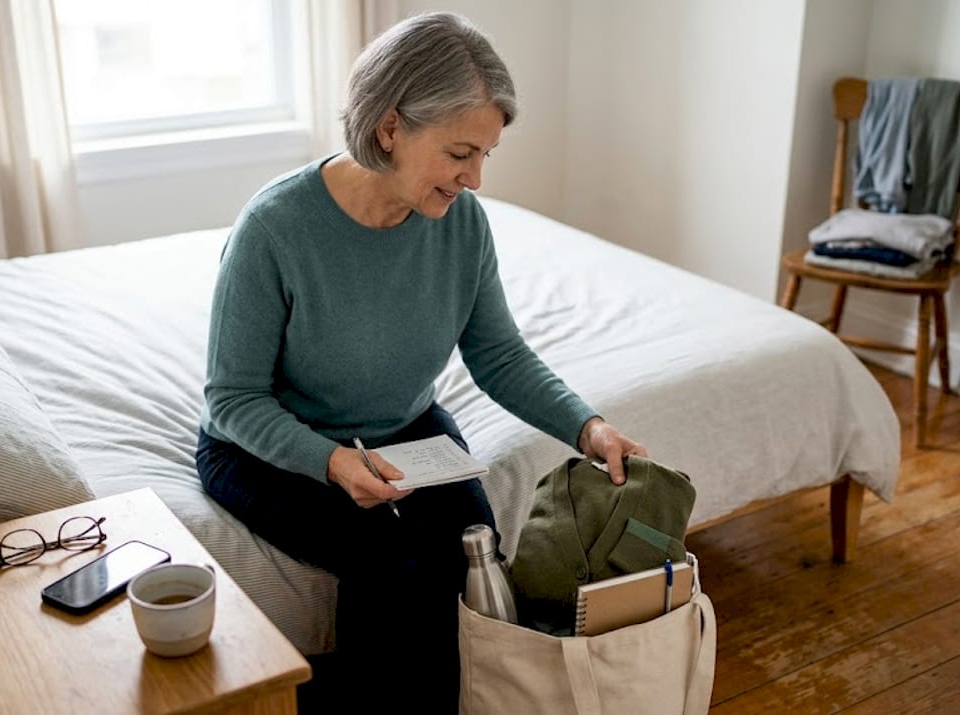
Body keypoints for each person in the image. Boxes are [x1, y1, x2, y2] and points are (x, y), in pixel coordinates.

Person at [194, 11, 647, 712]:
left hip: (402, 429)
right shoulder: (275, 229)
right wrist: (333, 462)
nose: (474, 179)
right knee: (385, 558)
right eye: (461, 152)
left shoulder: (461, 225)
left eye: (485, 155)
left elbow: (498, 354)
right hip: (267, 446)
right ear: (389, 129)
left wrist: (589, 428)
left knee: (476, 548)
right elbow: (232, 399)